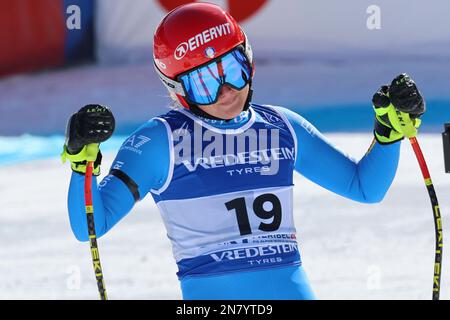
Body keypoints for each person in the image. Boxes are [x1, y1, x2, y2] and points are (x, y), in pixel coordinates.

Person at [62, 3, 425, 299]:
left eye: (232, 70)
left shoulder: (283, 128)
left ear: (248, 59)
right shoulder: (160, 142)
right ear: (178, 89)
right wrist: (83, 162)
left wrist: (388, 134)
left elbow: (365, 188)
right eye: (204, 81)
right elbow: (90, 226)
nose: (225, 91)